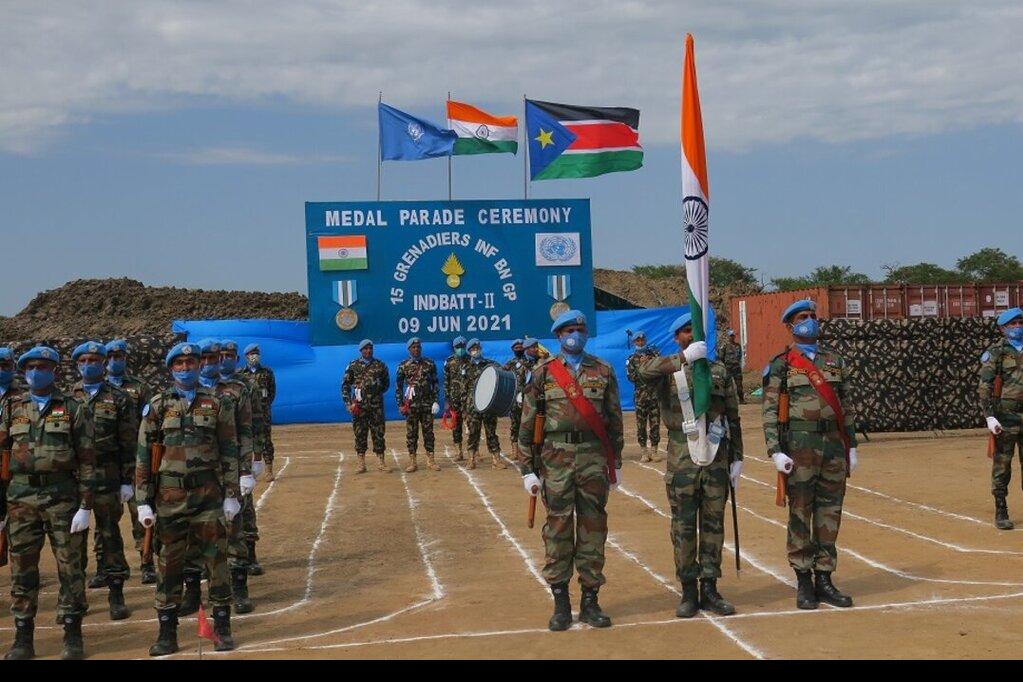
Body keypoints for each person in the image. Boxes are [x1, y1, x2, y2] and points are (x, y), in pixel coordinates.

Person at [517, 310, 624, 631]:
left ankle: (590, 601)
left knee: (593, 527)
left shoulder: (603, 371)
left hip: (593, 458)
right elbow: (526, 425)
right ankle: (561, 602)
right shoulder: (543, 373)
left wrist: (615, 462)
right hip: (555, 460)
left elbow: (614, 420)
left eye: (580, 329)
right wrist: (527, 469)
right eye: (568, 331)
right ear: (558, 336)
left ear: (586, 334)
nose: (575, 335)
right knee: (558, 527)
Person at [136, 342, 241, 655]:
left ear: (199, 365)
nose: (185, 368)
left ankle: (222, 628)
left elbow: (229, 450)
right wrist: (143, 500)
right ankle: (167, 633)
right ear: (171, 368)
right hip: (170, 498)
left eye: (190, 363)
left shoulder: (218, 403)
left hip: (208, 496)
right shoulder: (157, 405)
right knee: (168, 563)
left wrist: (232, 494)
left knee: (216, 562)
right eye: (179, 364)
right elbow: (144, 455)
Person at [638, 314, 742, 617]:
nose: (692, 335)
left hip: (716, 456)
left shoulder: (719, 371)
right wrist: (683, 358)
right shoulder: (668, 370)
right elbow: (642, 372)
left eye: (695, 331)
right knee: (683, 527)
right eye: (686, 331)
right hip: (682, 458)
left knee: (713, 525)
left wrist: (738, 457)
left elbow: (732, 416)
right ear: (676, 337)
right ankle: (687, 590)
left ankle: (709, 588)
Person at [762, 300, 857, 610]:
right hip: (799, 446)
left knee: (830, 512)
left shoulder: (834, 360)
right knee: (801, 512)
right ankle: (803, 580)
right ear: (790, 326)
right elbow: (770, 410)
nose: (810, 321)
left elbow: (846, 406)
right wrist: (775, 450)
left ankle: (825, 578)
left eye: (813, 316)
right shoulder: (782, 363)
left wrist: (852, 444)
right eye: (803, 317)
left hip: (833, 446)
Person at [2, 346, 96, 660]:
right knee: (22, 568)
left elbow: (87, 459)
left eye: (42, 367)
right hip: (21, 497)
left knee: (70, 566)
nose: (35, 372)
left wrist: (85, 505)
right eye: (30, 367)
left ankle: (72, 634)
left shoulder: (74, 408)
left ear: (55, 371)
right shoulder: (12, 407)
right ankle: (23, 638)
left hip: (62, 496)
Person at [69, 341, 136, 621]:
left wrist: (127, 480)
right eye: (83, 361)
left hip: (108, 476)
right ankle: (75, 597)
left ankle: (116, 592)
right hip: (75, 480)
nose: (89, 365)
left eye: (94, 360)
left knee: (110, 534)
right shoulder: (67, 398)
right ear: (77, 365)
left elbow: (128, 441)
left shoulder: (119, 398)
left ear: (104, 363)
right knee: (74, 538)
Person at [104, 339, 157, 584]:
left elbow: (149, 423)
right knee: (106, 517)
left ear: (126, 358)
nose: (115, 360)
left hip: (136, 459)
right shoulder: (97, 388)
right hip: (107, 463)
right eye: (111, 356)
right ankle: (106, 565)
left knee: (141, 513)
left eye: (119, 356)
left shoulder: (139, 387)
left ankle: (147, 561)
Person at [221, 341, 265, 576]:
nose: (224, 359)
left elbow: (256, 420)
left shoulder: (247, 385)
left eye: (229, 355)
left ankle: (250, 553)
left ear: (236, 359)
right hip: (216, 456)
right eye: (221, 355)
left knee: (244, 504)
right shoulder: (206, 385)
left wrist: (257, 455)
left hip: (240, 454)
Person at [979, 307, 1023, 530]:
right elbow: (985, 386)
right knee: (1002, 465)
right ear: (1002, 329)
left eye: (1020, 323)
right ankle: (1001, 510)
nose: (1018, 327)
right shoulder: (996, 351)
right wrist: (990, 417)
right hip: (1006, 417)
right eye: (1012, 324)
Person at [341, 340, 391, 474]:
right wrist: (348, 403)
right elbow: (345, 385)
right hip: (359, 407)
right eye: (365, 349)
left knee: (379, 433)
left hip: (376, 407)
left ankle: (381, 462)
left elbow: (386, 384)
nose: (368, 351)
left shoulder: (380, 365)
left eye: (370, 348)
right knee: (360, 434)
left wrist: (375, 394)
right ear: (361, 350)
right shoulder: (353, 365)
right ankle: (361, 463)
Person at [395, 338, 440, 472]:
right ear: (409, 349)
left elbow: (435, 383)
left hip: (427, 405)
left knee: (428, 433)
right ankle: (412, 461)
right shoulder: (403, 365)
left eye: (418, 347)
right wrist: (400, 404)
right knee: (411, 434)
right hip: (411, 406)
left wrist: (435, 401)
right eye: (413, 347)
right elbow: (398, 387)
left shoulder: (429, 363)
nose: (416, 349)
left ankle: (431, 460)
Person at [462, 339, 504, 470]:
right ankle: (471, 460)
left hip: (488, 404)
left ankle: (496, 460)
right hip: (473, 405)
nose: (475, 351)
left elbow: (501, 372)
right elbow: (464, 389)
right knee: (473, 433)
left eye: (477, 348)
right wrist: (464, 409)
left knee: (491, 432)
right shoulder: (466, 368)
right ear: (469, 351)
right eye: (473, 349)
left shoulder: (490, 364)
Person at [625, 330, 662, 462]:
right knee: (641, 425)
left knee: (655, 423)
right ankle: (644, 452)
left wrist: (649, 363)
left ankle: (654, 450)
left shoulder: (654, 355)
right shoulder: (631, 359)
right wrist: (642, 366)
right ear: (634, 342)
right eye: (638, 340)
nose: (640, 342)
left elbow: (660, 371)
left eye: (642, 340)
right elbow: (631, 377)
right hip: (640, 397)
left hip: (654, 395)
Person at [244, 344, 277, 481]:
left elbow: (272, 391)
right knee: (246, 440)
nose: (254, 356)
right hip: (245, 414)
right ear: (246, 356)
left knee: (266, 440)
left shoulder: (267, 372)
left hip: (263, 413)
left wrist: (264, 405)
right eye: (252, 354)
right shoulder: (240, 374)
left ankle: (269, 470)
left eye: (256, 353)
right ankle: (247, 471)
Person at [503, 339, 538, 463]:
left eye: (520, 347)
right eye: (516, 348)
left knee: (531, 423)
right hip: (515, 399)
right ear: (513, 349)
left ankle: (531, 450)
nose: (519, 349)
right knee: (515, 424)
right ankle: (515, 451)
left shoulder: (531, 362)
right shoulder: (510, 364)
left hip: (530, 398)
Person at [443, 336, 471, 461]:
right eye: (458, 347)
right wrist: (447, 400)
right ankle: (459, 452)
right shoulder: (449, 362)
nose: (460, 349)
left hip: (469, 399)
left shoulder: (471, 360)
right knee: (456, 425)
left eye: (462, 346)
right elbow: (446, 382)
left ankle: (473, 452)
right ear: (454, 348)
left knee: (472, 425)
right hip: (454, 399)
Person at [718, 329, 745, 404]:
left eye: (733, 336)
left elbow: (740, 356)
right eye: (730, 336)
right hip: (728, 368)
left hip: (736, 368)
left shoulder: (738, 346)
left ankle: (741, 400)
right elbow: (721, 357)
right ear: (728, 337)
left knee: (739, 385)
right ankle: (726, 401)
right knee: (726, 385)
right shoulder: (725, 346)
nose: (732, 337)